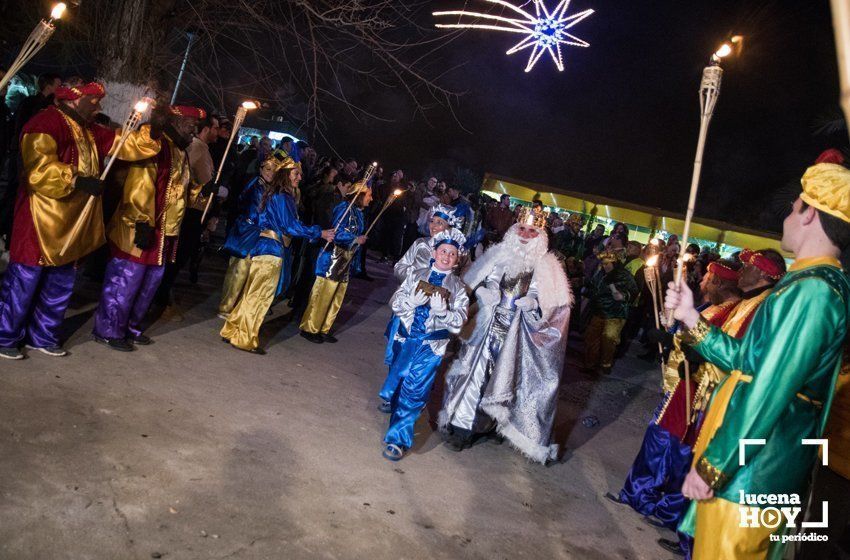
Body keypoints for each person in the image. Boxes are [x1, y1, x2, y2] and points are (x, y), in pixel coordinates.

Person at [666, 162, 850, 559]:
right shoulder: (805, 284)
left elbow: (768, 390)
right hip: (750, 469)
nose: (787, 215)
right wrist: (692, 317)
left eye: (792, 207)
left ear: (811, 213)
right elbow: (751, 362)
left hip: (752, 474)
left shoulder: (815, 292)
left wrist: (716, 463)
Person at [0, 82, 162, 360]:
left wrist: (153, 127)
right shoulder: (46, 122)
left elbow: (128, 145)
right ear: (75, 101)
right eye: (94, 101)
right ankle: (6, 335)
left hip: (75, 223)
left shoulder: (90, 130)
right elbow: (38, 169)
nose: (99, 107)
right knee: (24, 281)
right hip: (40, 219)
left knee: (60, 283)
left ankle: (44, 334)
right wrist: (76, 179)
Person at [613, 259, 744, 555]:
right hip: (681, 384)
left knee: (676, 450)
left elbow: (718, 351)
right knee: (662, 443)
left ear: (720, 284)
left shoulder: (732, 313)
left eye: (708, 279)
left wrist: (687, 350)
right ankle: (642, 496)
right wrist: (670, 339)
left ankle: (666, 510)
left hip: (698, 391)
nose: (702, 283)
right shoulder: (713, 307)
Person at [439, 208, 572, 462]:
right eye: (521, 228)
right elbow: (467, 284)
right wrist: (482, 293)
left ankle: (494, 425)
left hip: (519, 334)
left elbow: (557, 308)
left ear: (541, 236)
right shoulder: (498, 253)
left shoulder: (548, 265)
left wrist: (534, 303)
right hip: (486, 326)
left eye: (532, 231)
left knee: (507, 380)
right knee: (474, 375)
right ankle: (461, 428)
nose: (525, 234)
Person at [91, 105, 205, 351]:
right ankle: (108, 329)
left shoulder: (181, 151)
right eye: (190, 124)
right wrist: (140, 221)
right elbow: (139, 184)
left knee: (148, 285)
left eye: (195, 126)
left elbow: (182, 190)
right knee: (125, 282)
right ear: (176, 121)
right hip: (140, 227)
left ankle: (131, 327)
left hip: (165, 232)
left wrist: (203, 192)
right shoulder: (157, 143)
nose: (194, 130)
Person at [221, 158, 334, 354]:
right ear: (286, 174)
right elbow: (290, 226)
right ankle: (245, 338)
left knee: (251, 292)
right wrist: (319, 232)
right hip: (271, 250)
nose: (300, 177)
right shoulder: (283, 196)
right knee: (261, 296)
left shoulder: (274, 193)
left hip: (262, 247)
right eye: (295, 173)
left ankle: (233, 329)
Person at [380, 228, 470, 461]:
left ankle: (397, 439)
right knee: (400, 387)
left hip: (431, 348)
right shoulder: (416, 274)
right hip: (405, 340)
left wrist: (444, 313)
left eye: (452, 253)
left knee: (415, 392)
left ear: (457, 258)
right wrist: (409, 301)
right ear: (435, 251)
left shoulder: (459, 288)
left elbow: (459, 323)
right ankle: (396, 421)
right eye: (443, 251)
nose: (447, 257)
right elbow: (395, 301)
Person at [377, 204, 457, 413]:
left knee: (420, 361)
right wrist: (417, 276)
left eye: (440, 222)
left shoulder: (454, 253)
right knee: (397, 351)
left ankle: (408, 399)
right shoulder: (420, 244)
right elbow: (398, 268)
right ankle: (391, 394)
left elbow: (458, 284)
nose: (434, 226)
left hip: (433, 317)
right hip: (410, 309)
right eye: (432, 221)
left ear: (449, 227)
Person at [154, 112, 220, 315]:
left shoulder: (205, 149)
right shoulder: (196, 147)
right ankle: (161, 297)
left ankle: (163, 294)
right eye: (215, 127)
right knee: (177, 255)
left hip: (198, 209)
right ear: (207, 129)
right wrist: (203, 188)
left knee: (182, 255)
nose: (218, 132)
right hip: (190, 209)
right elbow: (183, 174)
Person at [218, 151, 288, 319]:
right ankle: (226, 307)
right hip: (246, 232)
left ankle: (237, 308)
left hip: (258, 234)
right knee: (238, 270)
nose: (270, 173)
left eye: (274, 170)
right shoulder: (255, 184)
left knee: (249, 270)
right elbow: (249, 205)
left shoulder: (271, 189)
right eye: (267, 169)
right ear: (261, 168)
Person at [298, 182, 370, 344]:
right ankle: (310, 327)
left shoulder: (358, 212)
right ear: (359, 195)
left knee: (337, 295)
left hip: (346, 259)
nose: (370, 199)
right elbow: (336, 233)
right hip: (334, 257)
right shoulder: (344, 207)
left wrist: (358, 241)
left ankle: (324, 327)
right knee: (324, 293)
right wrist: (355, 239)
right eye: (368, 195)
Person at [583, 250, 639, 374]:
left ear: (615, 263)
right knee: (592, 338)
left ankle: (605, 363)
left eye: (608, 263)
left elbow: (634, 291)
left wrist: (624, 295)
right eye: (603, 264)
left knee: (609, 339)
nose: (605, 266)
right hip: (598, 311)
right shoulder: (600, 273)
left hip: (615, 313)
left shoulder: (624, 275)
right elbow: (593, 286)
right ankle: (590, 364)